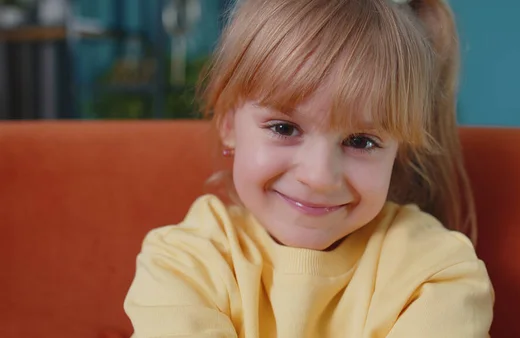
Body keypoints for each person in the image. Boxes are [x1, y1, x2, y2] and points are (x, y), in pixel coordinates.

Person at [124, 0, 494, 336]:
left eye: (361, 141)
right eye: (284, 128)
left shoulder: (437, 271)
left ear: (400, 150)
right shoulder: (182, 261)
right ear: (228, 124)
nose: (318, 177)